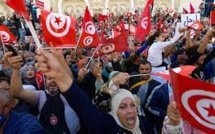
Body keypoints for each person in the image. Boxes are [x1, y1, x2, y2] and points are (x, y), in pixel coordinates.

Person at [36, 47, 153, 134]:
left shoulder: (143, 123)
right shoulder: (107, 127)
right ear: (113, 110)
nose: (130, 111)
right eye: (122, 107)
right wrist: (60, 76)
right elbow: (83, 105)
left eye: (132, 105)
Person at [6, 52, 80, 134]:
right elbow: (17, 92)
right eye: (49, 79)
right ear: (45, 81)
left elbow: (70, 80)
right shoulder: (40, 96)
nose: (52, 81)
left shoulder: (68, 95)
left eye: (55, 79)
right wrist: (16, 69)